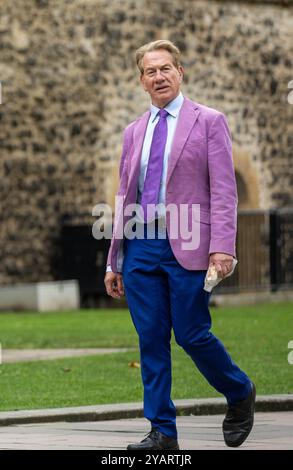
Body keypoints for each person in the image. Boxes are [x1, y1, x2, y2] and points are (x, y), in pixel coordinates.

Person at [104, 39, 255, 450]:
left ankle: (240, 391)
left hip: (188, 242)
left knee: (191, 334)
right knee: (150, 338)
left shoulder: (208, 121)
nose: (159, 76)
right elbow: (124, 195)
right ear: (141, 81)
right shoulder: (134, 132)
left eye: (166, 68)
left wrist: (223, 246)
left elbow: (225, 191)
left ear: (180, 72)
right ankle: (162, 432)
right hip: (140, 246)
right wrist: (113, 260)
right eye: (151, 71)